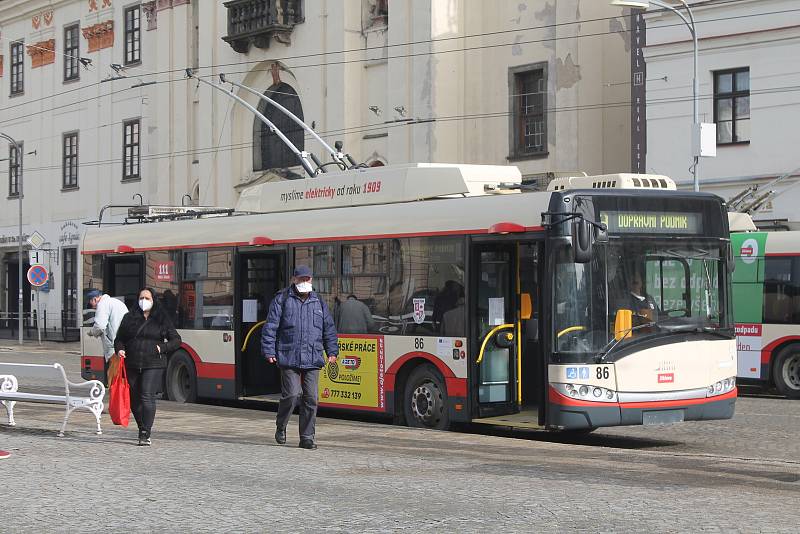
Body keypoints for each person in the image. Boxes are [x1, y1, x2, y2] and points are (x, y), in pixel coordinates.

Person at [261, 265, 338, 450]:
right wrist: (269, 351)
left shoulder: (318, 301)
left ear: (311, 280)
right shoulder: (283, 299)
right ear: (293, 280)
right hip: (289, 356)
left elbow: (328, 328)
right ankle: (281, 425)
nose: (305, 282)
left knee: (311, 398)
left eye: (307, 279)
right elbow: (270, 327)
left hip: (312, 357)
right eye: (301, 279)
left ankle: (307, 437)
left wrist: (332, 351)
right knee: (292, 394)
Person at [114, 287, 181, 446]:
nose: (144, 301)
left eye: (147, 298)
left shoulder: (162, 318)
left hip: (154, 363)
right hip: (132, 362)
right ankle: (141, 426)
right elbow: (119, 339)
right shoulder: (129, 318)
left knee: (146, 395)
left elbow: (176, 340)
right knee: (134, 399)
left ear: (153, 301)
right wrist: (120, 349)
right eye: (141, 297)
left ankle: (145, 432)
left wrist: (162, 348)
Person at [85, 288, 129, 384]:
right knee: (121, 373)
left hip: (113, 346)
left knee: (113, 375)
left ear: (95, 299)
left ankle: (115, 395)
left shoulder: (102, 305)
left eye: (91, 302)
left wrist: (92, 332)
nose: (92, 306)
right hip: (124, 343)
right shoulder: (116, 302)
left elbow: (100, 326)